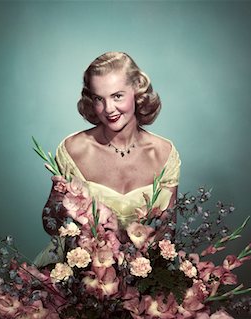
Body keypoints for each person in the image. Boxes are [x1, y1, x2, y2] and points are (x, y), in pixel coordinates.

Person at [36, 51, 180, 266]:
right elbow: (50, 225)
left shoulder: (164, 153)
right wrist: (62, 207)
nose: (109, 109)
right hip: (78, 275)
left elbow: (168, 235)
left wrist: (123, 236)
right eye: (99, 99)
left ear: (137, 92)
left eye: (117, 96)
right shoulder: (74, 149)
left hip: (143, 276)